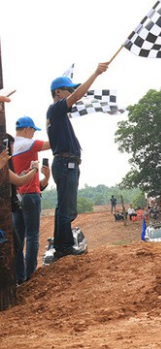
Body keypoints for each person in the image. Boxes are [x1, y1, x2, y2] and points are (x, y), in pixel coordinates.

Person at [47, 62, 109, 259]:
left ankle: (61, 245)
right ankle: (64, 247)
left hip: (66, 164)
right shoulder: (55, 109)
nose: (71, 93)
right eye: (68, 90)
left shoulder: (58, 115)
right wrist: (96, 73)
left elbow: (75, 97)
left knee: (63, 207)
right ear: (58, 92)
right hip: (66, 164)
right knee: (66, 208)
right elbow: (77, 96)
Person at [12, 116, 51, 283]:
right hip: (30, 196)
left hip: (17, 197)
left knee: (18, 240)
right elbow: (52, 143)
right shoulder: (27, 143)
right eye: (33, 131)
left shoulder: (11, 146)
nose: (33, 135)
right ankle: (30, 276)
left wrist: (46, 178)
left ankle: (20, 277)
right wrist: (54, 124)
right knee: (33, 236)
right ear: (27, 129)